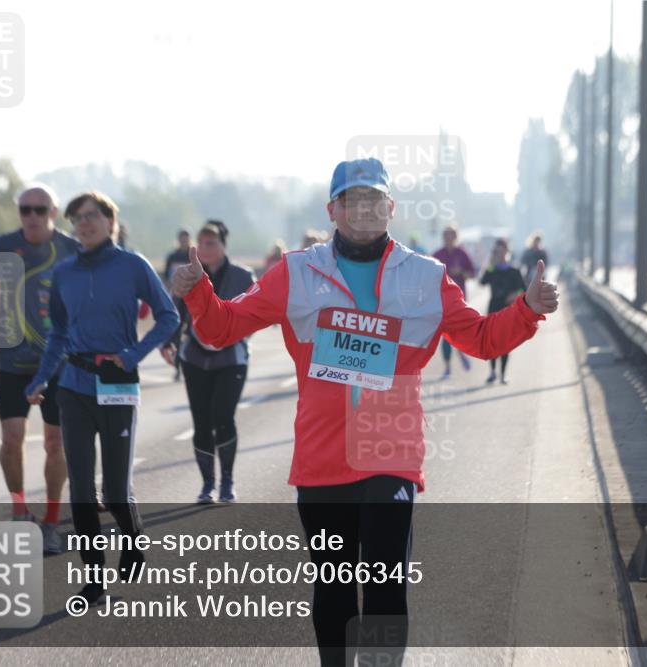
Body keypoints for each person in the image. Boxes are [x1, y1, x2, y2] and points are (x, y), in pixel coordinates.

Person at [172, 157, 558, 666]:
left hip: (389, 451)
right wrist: (198, 291)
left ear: (391, 208)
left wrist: (527, 309)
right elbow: (223, 328)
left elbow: (482, 340)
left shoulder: (425, 276)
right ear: (333, 209)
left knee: (384, 586)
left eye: (375, 199)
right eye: (353, 200)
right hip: (322, 457)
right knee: (333, 588)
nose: (365, 210)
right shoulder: (296, 272)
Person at [26, 191, 178, 606]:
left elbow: (169, 317)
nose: (85, 223)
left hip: (117, 385)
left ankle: (132, 541)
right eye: (78, 218)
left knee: (114, 489)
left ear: (111, 221)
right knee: (81, 487)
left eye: (93, 216)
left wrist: (130, 356)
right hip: (73, 385)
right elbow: (57, 332)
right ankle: (94, 578)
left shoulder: (133, 265)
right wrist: (42, 377)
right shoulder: (64, 272)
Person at [0, 183, 79, 554]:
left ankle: (51, 523)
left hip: (59, 363)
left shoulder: (71, 248)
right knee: (10, 441)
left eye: (40, 209)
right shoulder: (1, 245)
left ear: (53, 212)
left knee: (56, 444)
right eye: (26, 209)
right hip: (13, 360)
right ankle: (20, 511)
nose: (32, 216)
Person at [161, 222, 254, 504]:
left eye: (211, 243)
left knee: (222, 418)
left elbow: (254, 311)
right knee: (201, 422)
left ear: (223, 245)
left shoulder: (242, 275)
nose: (205, 248)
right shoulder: (187, 275)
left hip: (231, 357)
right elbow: (175, 311)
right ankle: (207, 485)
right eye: (201, 243)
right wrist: (169, 341)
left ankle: (227, 481)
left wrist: (237, 332)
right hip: (195, 358)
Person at [480, 238, 527, 384]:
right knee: (492, 341)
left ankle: (503, 374)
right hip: (493, 308)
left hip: (507, 310)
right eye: (497, 251)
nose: (499, 254)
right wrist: (490, 265)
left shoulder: (514, 270)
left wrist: (514, 294)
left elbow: (524, 289)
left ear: (507, 251)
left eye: (502, 251)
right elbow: (482, 282)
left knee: (505, 342)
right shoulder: (492, 270)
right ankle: (492, 372)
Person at [432, 225, 476, 378]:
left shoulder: (462, 254)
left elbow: (473, 273)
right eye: (446, 236)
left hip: (459, 299)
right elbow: (428, 276)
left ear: (455, 237)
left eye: (451, 236)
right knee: (445, 333)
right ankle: (447, 367)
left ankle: (461, 352)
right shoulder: (437, 254)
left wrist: (462, 273)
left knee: (459, 331)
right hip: (441, 299)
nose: (448, 239)